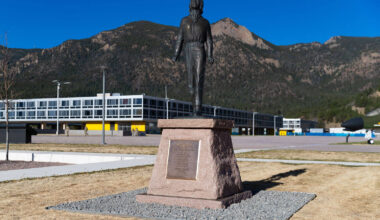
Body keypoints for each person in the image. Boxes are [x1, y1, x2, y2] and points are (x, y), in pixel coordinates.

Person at [172, 0, 214, 116]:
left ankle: (197, 109)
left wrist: (210, 55)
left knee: (199, 80)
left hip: (200, 49)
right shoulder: (184, 21)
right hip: (188, 49)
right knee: (191, 83)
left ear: (201, 6)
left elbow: (209, 40)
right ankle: (193, 108)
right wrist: (176, 54)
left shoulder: (205, 22)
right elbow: (180, 38)